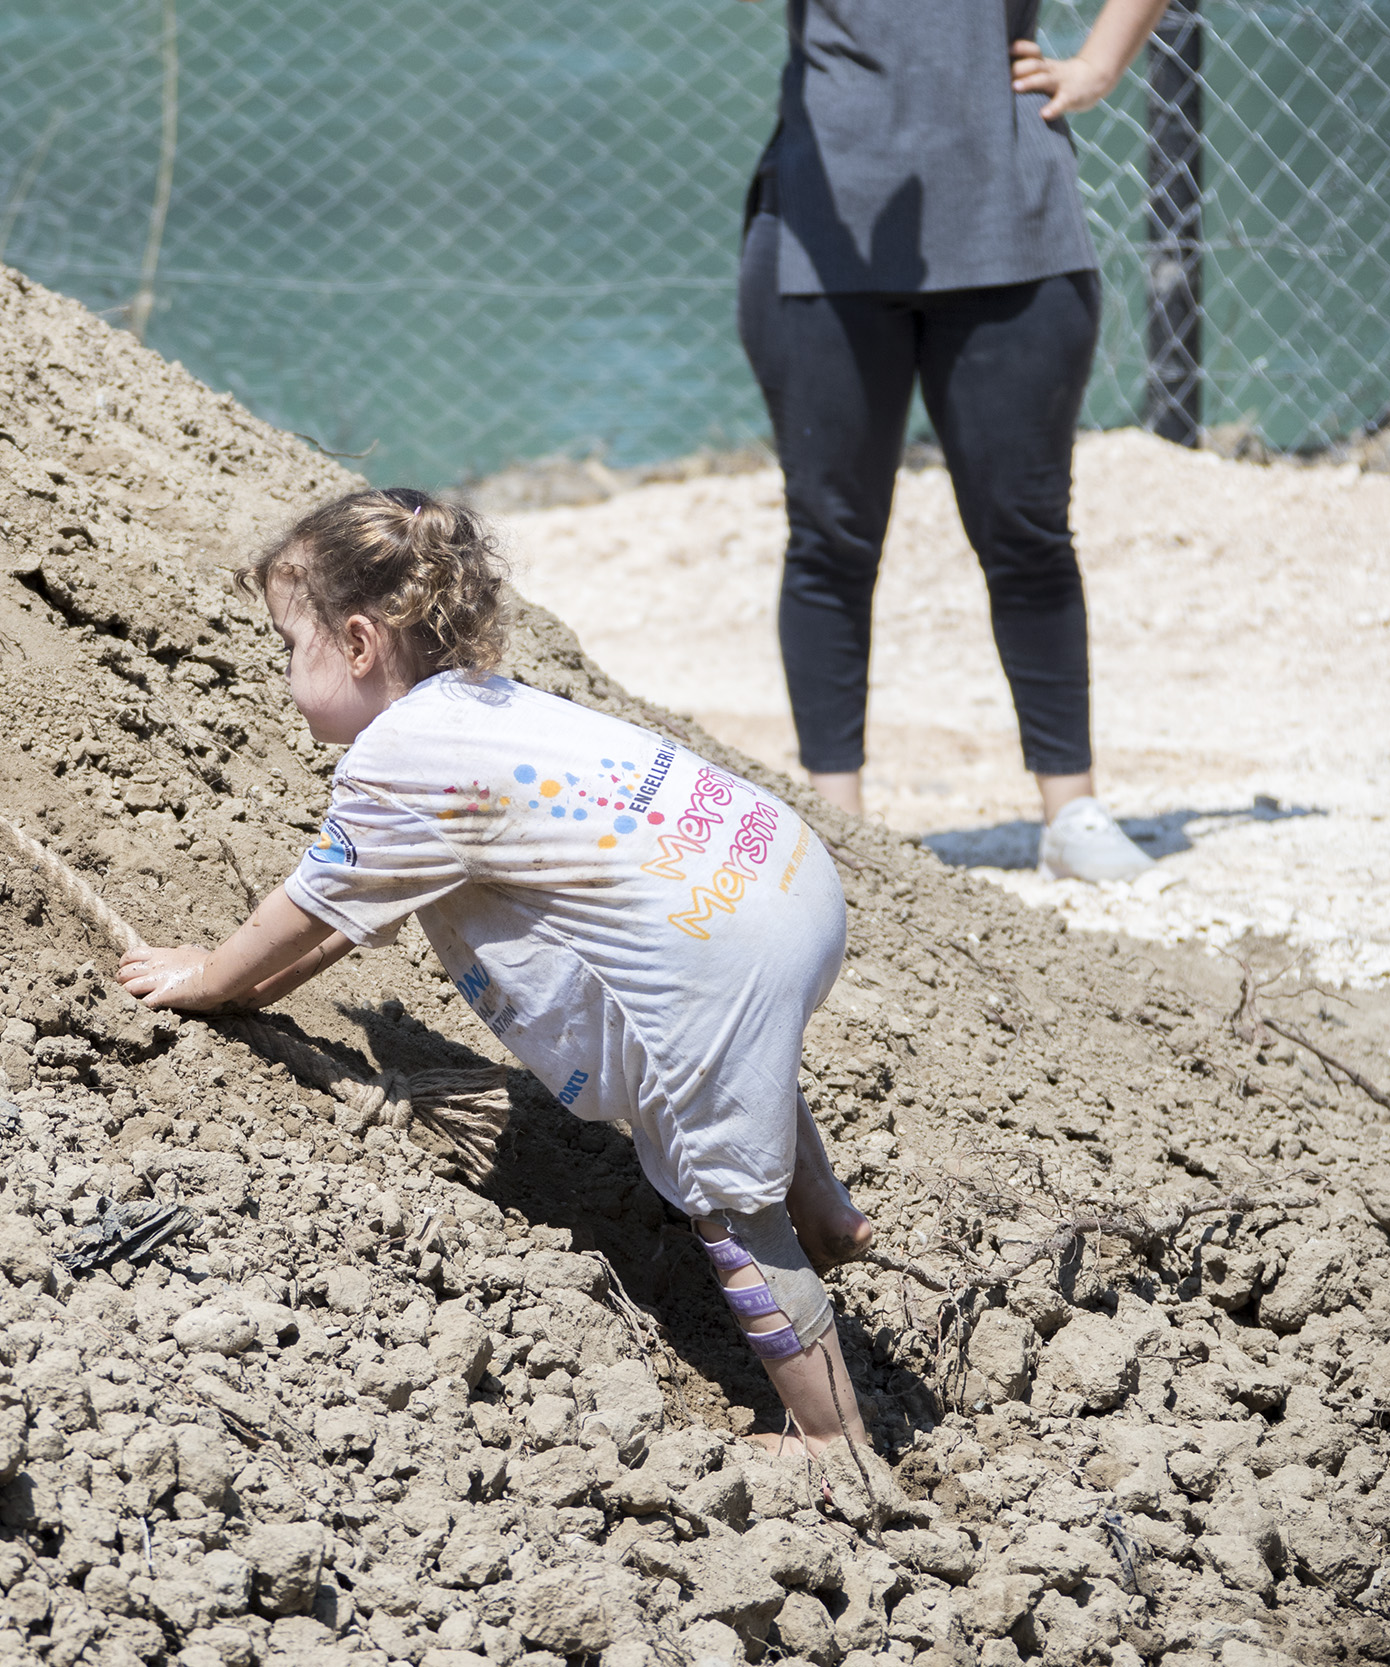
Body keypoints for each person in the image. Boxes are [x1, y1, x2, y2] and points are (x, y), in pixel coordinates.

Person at [116, 488, 874, 1455]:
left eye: (284, 646)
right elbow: (360, 905)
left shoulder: (399, 759)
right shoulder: (482, 706)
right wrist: (249, 986)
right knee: (728, 1052)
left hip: (718, 951)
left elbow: (310, 903)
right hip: (778, 874)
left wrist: (213, 981)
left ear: (355, 644)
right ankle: (830, 1214)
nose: (279, 672)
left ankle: (832, 1440)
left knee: (723, 1194)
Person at [736, 0, 1174, 881]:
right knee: (829, 536)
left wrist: (1096, 67)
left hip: (1014, 224)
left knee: (1028, 533)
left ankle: (1072, 814)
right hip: (822, 238)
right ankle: (838, 828)